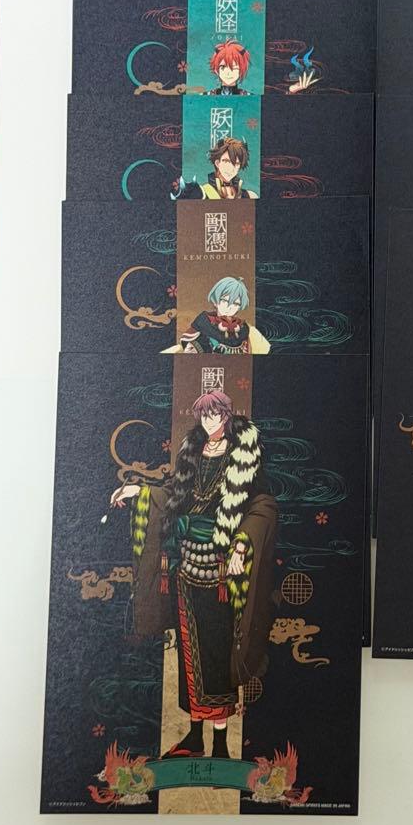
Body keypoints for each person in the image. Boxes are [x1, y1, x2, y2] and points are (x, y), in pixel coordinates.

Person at [109, 391, 277, 759]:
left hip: (220, 575)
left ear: (227, 416)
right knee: (190, 652)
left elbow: (262, 506)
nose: (209, 422)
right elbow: (172, 493)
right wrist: (138, 490)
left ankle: (221, 744)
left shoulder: (244, 458)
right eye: (204, 416)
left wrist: (242, 545)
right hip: (186, 569)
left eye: (215, 415)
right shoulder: (192, 453)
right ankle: (196, 736)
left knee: (218, 654)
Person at [163, 276, 270, 355]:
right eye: (225, 301)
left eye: (236, 304)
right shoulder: (204, 321)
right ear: (215, 301)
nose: (230, 307)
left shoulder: (244, 327)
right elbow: (188, 347)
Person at [174, 136, 259, 200]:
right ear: (217, 163)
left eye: (236, 163)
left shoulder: (250, 195)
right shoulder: (202, 193)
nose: (231, 168)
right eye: (227, 161)